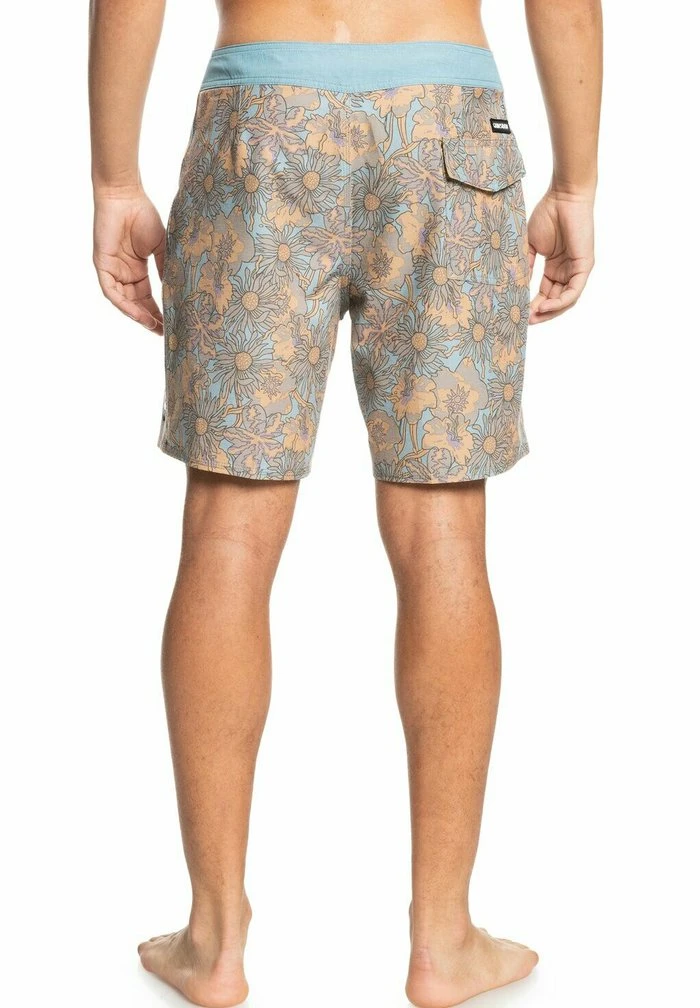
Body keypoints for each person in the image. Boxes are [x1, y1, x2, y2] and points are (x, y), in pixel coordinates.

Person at [89, 0, 601, 1004]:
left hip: (261, 120)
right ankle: (443, 938)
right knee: (444, 529)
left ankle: (215, 939)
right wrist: (577, 181)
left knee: (229, 529)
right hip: (452, 127)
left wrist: (114, 180)